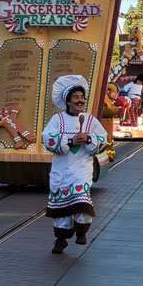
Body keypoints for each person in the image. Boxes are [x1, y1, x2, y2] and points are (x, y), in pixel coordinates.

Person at [42, 74, 108, 254]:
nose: (80, 100)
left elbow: (102, 139)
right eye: (76, 98)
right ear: (68, 101)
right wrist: (71, 141)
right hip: (62, 170)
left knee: (82, 201)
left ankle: (81, 232)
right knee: (62, 209)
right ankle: (60, 239)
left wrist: (87, 139)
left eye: (82, 97)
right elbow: (48, 139)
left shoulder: (90, 120)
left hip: (82, 169)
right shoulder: (57, 120)